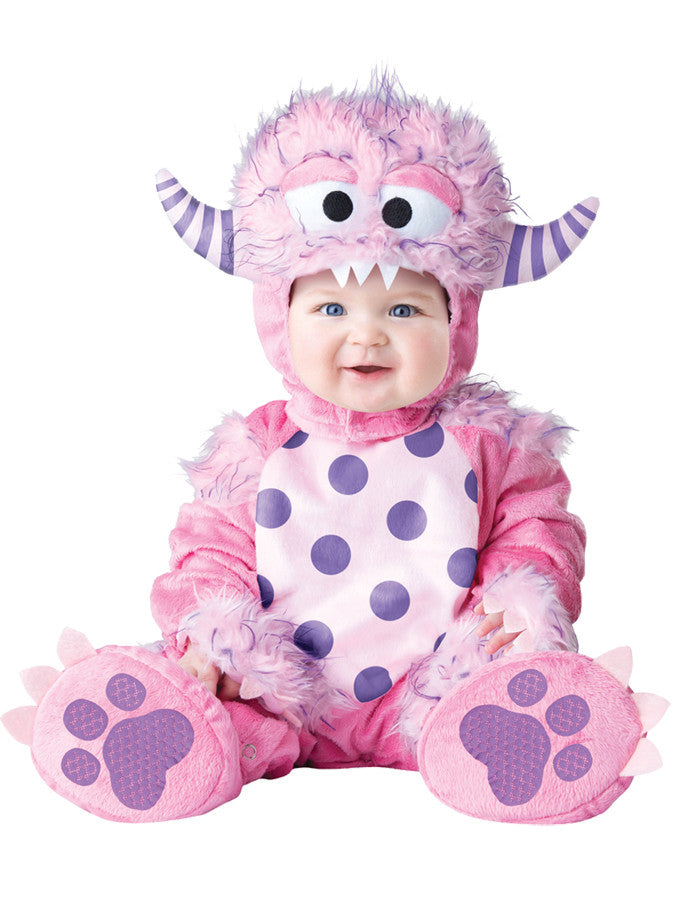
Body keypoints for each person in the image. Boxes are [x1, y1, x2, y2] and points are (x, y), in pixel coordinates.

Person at [3, 72, 666, 824]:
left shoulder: (491, 446)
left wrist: (519, 600)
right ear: (278, 316)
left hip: (440, 683)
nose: (367, 335)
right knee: (217, 699)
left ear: (458, 321)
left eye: (404, 309)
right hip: (276, 689)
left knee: (495, 682)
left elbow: (536, 530)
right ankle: (171, 736)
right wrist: (216, 633)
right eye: (329, 307)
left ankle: (508, 739)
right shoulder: (257, 447)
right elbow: (211, 550)